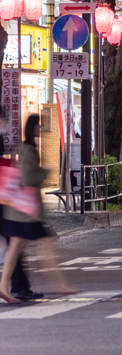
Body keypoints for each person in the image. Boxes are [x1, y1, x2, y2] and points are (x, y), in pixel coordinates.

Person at [1, 115, 77, 304]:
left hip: (20, 209)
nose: (40, 129)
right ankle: (61, 286)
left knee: (15, 248)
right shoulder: (29, 149)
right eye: (38, 126)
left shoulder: (27, 148)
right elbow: (28, 179)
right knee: (45, 245)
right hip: (27, 211)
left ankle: (4, 287)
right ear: (32, 128)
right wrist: (45, 172)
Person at [0, 130, 41, 301]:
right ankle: (17, 287)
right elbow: (18, 188)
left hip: (6, 212)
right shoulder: (7, 165)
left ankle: (19, 287)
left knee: (14, 249)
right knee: (15, 248)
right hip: (7, 213)